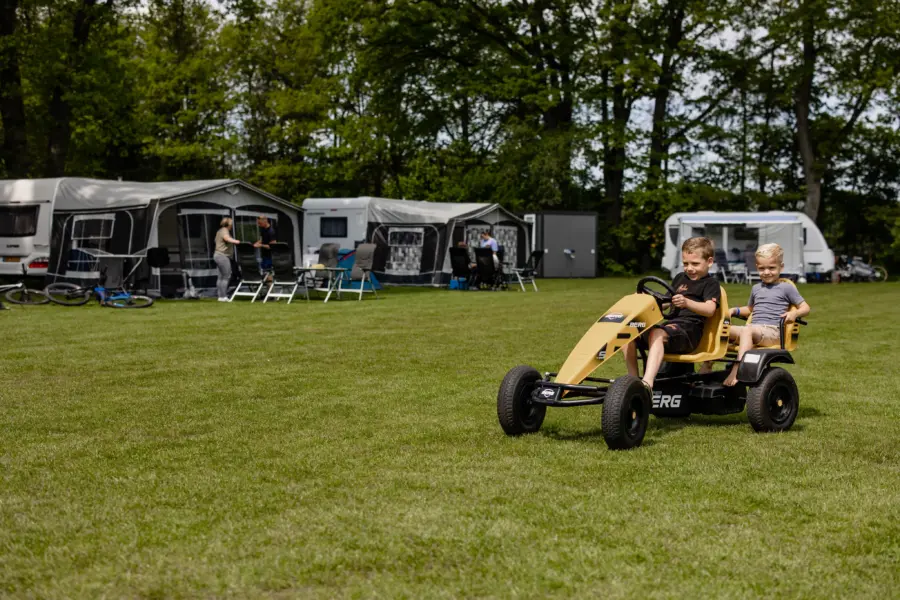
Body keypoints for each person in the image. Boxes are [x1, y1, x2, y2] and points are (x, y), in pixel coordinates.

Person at [623, 236, 721, 391]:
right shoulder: (680, 278)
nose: (689, 268)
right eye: (686, 264)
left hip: (689, 333)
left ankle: (647, 383)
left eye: (695, 264)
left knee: (657, 333)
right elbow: (666, 302)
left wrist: (687, 302)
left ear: (709, 262)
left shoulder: (711, 284)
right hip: (670, 328)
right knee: (627, 333)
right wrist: (647, 301)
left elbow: (710, 310)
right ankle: (633, 381)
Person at [723, 243, 811, 386]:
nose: (766, 272)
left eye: (771, 268)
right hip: (754, 330)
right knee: (721, 329)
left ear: (781, 267)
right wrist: (735, 310)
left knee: (747, 330)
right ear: (757, 267)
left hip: (773, 332)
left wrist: (794, 313)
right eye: (762, 268)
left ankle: (737, 369)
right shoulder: (756, 288)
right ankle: (707, 366)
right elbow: (750, 309)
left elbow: (806, 308)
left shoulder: (786, 288)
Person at [214, 217, 241, 301]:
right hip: (223, 256)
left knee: (220, 277)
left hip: (217, 255)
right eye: (231, 223)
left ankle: (220, 296)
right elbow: (226, 238)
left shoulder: (219, 231)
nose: (232, 225)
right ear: (228, 224)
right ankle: (223, 296)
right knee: (227, 276)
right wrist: (236, 241)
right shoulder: (225, 231)